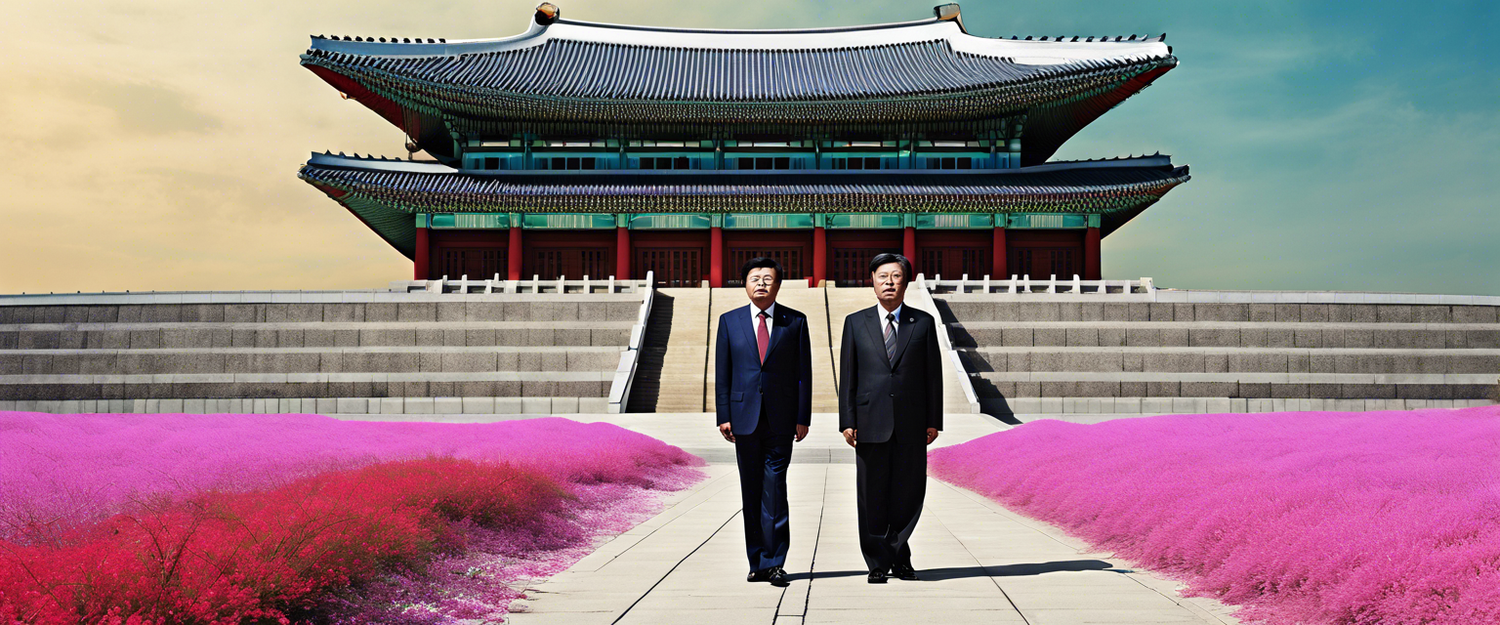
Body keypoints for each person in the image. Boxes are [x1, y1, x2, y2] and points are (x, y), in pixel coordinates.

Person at [837, 252, 942, 583]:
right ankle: (877, 563)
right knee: (872, 495)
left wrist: (933, 419)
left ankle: (899, 552)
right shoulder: (856, 322)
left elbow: (933, 376)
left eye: (896, 276)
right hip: (869, 421)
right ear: (872, 281)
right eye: (883, 276)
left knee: (908, 492)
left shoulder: (922, 322)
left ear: (907, 281)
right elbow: (848, 375)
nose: (889, 283)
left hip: (912, 422)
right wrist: (847, 419)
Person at [714, 257, 813, 587]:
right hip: (743, 419)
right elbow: (723, 374)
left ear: (778, 285)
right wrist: (723, 415)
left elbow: (804, 375)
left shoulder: (795, 322)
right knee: (750, 490)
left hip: (782, 420)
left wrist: (803, 417)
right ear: (744, 284)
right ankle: (756, 560)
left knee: (775, 489)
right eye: (754, 278)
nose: (761, 284)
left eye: (768, 279)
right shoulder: (729, 322)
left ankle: (774, 562)